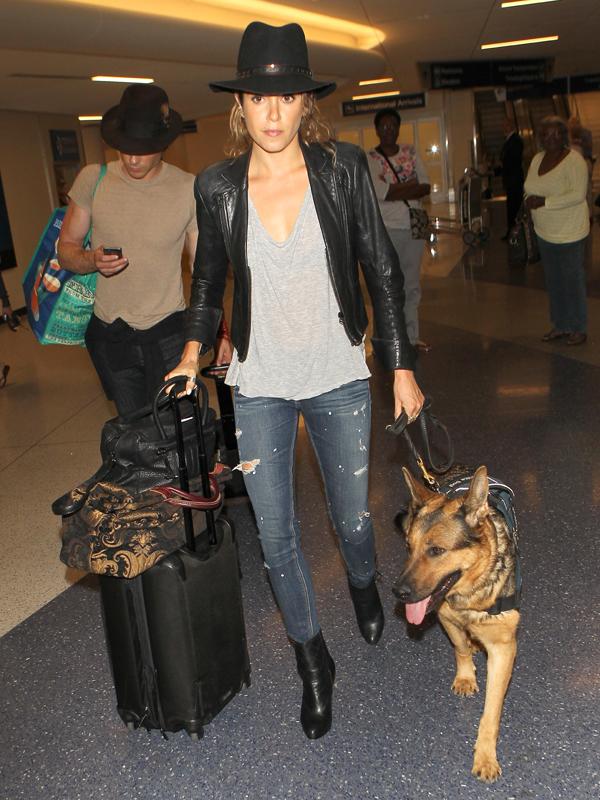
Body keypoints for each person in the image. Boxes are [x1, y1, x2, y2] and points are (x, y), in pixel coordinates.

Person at [166, 22, 424, 740]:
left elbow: (382, 268)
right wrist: (192, 351)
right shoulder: (217, 186)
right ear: (239, 106)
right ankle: (314, 658)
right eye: (258, 97)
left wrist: (399, 364)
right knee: (275, 534)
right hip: (260, 384)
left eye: (287, 98)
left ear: (305, 103)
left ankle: (365, 582)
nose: (272, 113)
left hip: (339, 375)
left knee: (351, 519)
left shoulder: (341, 169)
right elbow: (207, 282)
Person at [57, 84, 200, 415]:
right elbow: (66, 250)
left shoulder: (189, 188)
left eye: (143, 148)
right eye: (125, 147)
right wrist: (91, 260)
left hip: (169, 335)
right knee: (133, 433)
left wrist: (219, 334)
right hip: (112, 335)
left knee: (177, 429)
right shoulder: (94, 179)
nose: (133, 158)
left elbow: (203, 271)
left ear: (163, 144)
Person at [366, 109, 431, 352]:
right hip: (388, 228)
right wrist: (408, 186)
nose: (388, 131)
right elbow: (382, 192)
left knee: (411, 283)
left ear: (398, 128)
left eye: (393, 126)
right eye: (384, 126)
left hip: (414, 225)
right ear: (377, 130)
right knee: (388, 284)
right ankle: (386, 338)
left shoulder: (410, 152)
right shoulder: (371, 158)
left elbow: (425, 187)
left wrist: (398, 189)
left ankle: (412, 338)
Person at [524, 116, 589, 346]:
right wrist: (528, 200)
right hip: (545, 232)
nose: (551, 139)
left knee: (573, 280)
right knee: (554, 281)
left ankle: (578, 327)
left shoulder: (575, 161)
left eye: (556, 134)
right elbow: (529, 187)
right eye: (546, 135)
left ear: (564, 136)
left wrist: (544, 202)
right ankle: (561, 325)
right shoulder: (537, 159)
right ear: (540, 138)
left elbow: (578, 195)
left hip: (571, 232)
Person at [498, 116, 524, 239]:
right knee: (511, 206)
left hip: (514, 180)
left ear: (511, 126)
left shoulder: (515, 141)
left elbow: (511, 161)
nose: (503, 128)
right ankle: (512, 230)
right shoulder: (510, 141)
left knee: (514, 206)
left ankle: (515, 232)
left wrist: (501, 167)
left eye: (505, 125)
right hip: (511, 179)